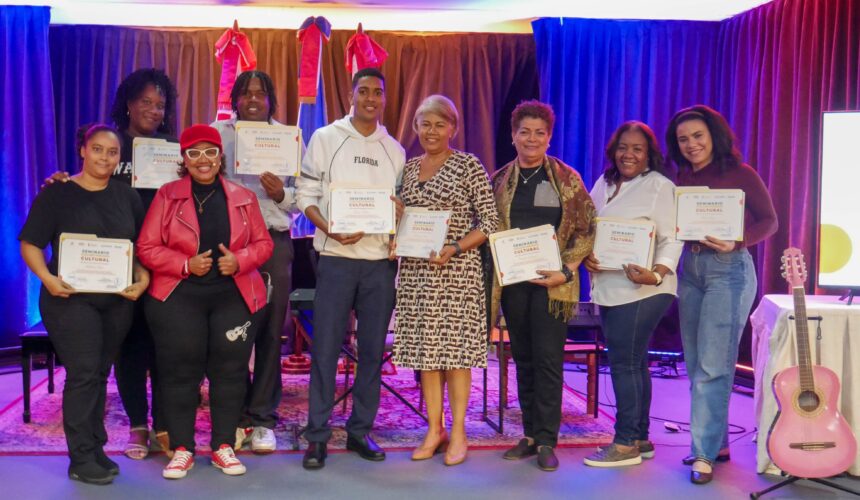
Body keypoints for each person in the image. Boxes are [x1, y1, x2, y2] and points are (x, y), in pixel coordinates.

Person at [45, 68, 179, 460]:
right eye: (145, 102)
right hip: (114, 265)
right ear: (128, 103)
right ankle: (138, 426)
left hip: (164, 261)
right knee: (131, 346)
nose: (153, 110)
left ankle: (167, 425)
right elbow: (84, 183)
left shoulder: (172, 149)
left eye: (160, 104)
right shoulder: (110, 143)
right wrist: (59, 182)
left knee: (166, 347)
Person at [137, 124, 274, 479]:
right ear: (183, 158)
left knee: (229, 373)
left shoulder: (243, 196)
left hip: (233, 296)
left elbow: (264, 244)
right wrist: (184, 264)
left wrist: (239, 261)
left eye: (210, 152)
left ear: (220, 156)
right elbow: (147, 247)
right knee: (180, 372)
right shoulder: (168, 195)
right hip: (178, 297)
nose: (203, 160)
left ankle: (223, 446)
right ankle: (182, 448)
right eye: (194, 153)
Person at [19, 124, 150, 484]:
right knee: (84, 374)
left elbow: (137, 249)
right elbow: (30, 243)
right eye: (97, 149)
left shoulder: (128, 198)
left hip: (117, 301)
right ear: (82, 150)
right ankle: (79, 458)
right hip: (68, 299)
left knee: (100, 375)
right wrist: (47, 279)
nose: (104, 158)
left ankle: (95, 448)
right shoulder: (57, 193)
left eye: (112, 152)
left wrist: (143, 279)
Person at [296, 67, 405, 470]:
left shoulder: (395, 149)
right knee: (324, 350)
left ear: (384, 98)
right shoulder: (326, 139)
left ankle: (360, 430)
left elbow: (399, 207)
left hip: (378, 266)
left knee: (373, 353)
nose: (371, 98)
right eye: (364, 91)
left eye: (378, 91)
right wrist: (328, 228)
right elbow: (306, 195)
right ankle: (318, 436)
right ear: (352, 95)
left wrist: (398, 216)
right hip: (336, 259)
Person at [665, 105, 777, 485]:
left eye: (698, 136)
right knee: (698, 363)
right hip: (690, 269)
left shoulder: (740, 173)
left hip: (728, 271)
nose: (691, 144)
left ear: (714, 134)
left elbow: (770, 220)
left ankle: (703, 453)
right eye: (683, 139)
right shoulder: (679, 176)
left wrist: (738, 240)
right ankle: (718, 442)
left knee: (714, 365)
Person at [391, 95, 498, 466]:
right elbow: (403, 220)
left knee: (456, 355)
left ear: (452, 128)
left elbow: (490, 222)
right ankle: (433, 429)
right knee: (427, 355)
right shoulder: (407, 169)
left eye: (440, 124)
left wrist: (455, 246)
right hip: (418, 274)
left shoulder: (469, 165)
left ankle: (459, 433)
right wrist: (396, 230)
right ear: (416, 127)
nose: (432, 131)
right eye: (425, 124)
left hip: (456, 272)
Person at [490, 100, 596, 472]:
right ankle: (531, 434)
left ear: (549, 137)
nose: (531, 139)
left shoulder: (567, 179)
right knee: (524, 359)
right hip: (514, 283)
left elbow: (587, 230)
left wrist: (566, 272)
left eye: (539, 132)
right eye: (524, 132)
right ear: (513, 136)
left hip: (554, 286)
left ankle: (548, 438)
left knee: (549, 361)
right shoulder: (500, 179)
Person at [582, 121, 683, 467]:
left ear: (649, 153)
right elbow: (590, 226)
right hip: (611, 286)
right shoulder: (605, 182)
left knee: (624, 363)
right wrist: (587, 254)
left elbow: (673, 237)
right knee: (635, 362)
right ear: (613, 150)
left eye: (637, 148)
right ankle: (640, 437)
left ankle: (624, 444)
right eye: (623, 147)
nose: (629, 154)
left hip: (646, 288)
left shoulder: (660, 186)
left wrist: (657, 273)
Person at [211, 70, 298, 454]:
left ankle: (262, 418)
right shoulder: (217, 133)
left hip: (274, 241)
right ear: (234, 97)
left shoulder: (289, 137)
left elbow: (303, 196)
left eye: (260, 94)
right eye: (245, 93)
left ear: (271, 100)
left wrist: (281, 195)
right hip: (228, 245)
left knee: (268, 331)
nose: (252, 99)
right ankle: (235, 415)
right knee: (229, 332)